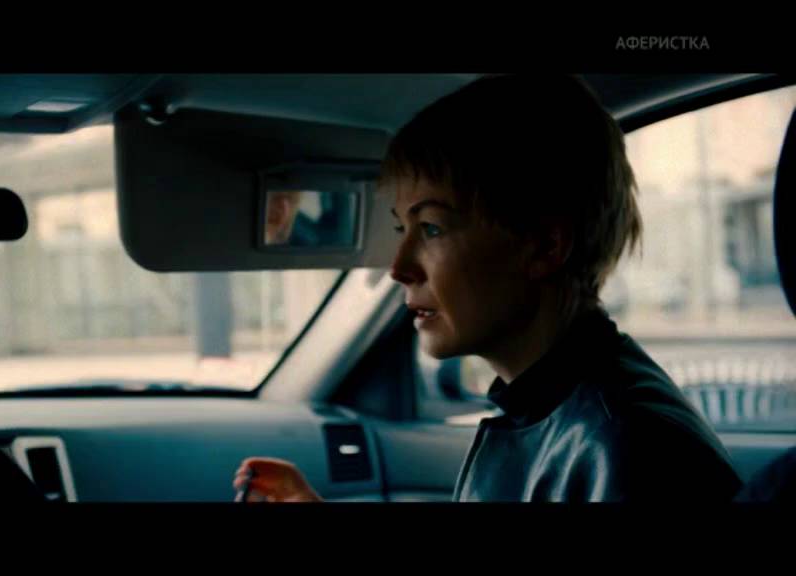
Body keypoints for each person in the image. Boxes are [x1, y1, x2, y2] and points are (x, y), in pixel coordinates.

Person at [234, 74, 742, 502]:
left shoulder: (627, 451)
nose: (399, 268)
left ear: (543, 247)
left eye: (431, 228)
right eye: (402, 228)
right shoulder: (566, 412)